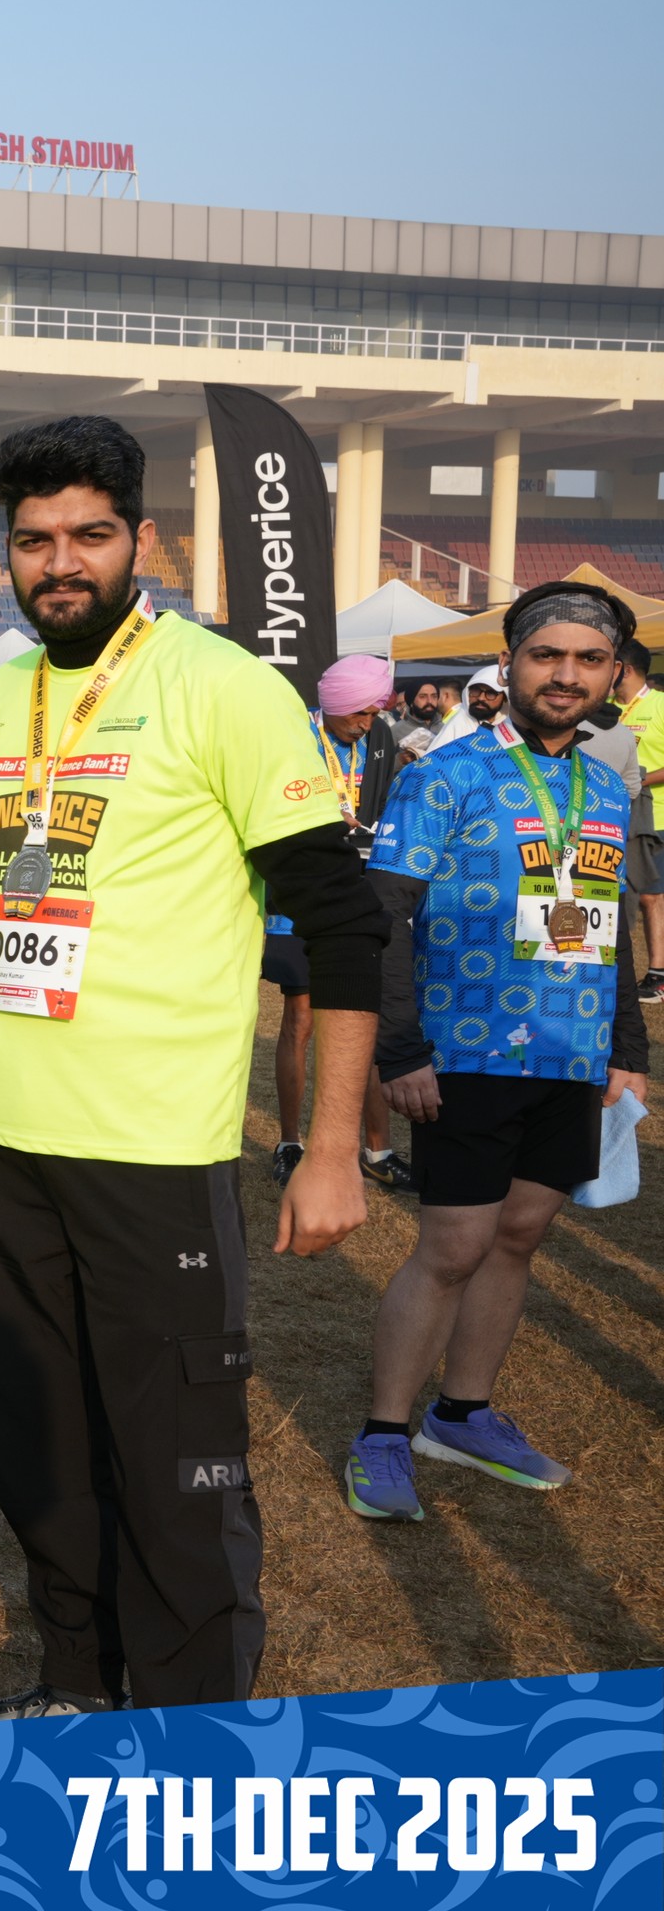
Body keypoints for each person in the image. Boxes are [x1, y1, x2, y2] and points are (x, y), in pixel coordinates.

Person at [0, 415, 382, 1725]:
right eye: (34, 540)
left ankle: (195, 1750)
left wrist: (332, 1146)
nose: (60, 562)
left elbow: (343, 923)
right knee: (42, 1445)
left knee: (177, 1462)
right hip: (9, 1143)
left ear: (142, 539)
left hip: (155, 1151)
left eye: (88, 535)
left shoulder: (222, 685)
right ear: (7, 553)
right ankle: (76, 1687)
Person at [347, 583, 648, 1520]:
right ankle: (383, 1434)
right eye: (546, 655)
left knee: (519, 1237)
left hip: (570, 1052)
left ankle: (462, 1415)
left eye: (588, 660)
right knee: (454, 1246)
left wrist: (627, 1046)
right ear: (510, 663)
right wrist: (400, 1050)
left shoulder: (607, 783)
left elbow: (609, 923)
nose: (566, 675)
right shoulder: (445, 773)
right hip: (468, 1046)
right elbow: (385, 917)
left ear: (613, 674)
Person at [262, 654, 414, 1193]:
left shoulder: (380, 738)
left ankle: (378, 1150)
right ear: (333, 704)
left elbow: (383, 796)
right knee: (301, 1020)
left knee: (362, 1018)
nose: (367, 724)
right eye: (359, 714)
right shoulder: (294, 734)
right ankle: (290, 1143)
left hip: (359, 892)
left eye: (374, 713)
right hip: (300, 897)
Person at [609, 637, 664, 1005]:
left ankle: (657, 974)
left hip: (655, 815)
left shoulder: (660, 705)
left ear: (624, 669)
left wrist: (636, 781)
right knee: (617, 894)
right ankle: (618, 970)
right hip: (613, 815)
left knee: (650, 896)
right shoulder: (607, 710)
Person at [424, 664, 507, 755]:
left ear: (505, 698)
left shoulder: (509, 726)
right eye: (476, 690)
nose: (481, 698)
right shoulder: (458, 723)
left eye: (491, 693)